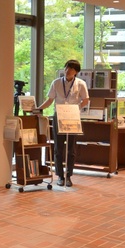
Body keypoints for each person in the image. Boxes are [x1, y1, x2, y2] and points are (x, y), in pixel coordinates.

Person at [37, 59, 90, 187]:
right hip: (58, 116)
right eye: (66, 68)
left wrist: (76, 108)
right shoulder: (56, 83)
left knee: (71, 148)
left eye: (71, 69)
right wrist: (38, 109)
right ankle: (60, 176)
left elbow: (86, 99)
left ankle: (69, 176)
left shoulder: (81, 83)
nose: (68, 71)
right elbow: (50, 100)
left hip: (73, 117)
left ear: (76, 72)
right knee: (58, 148)